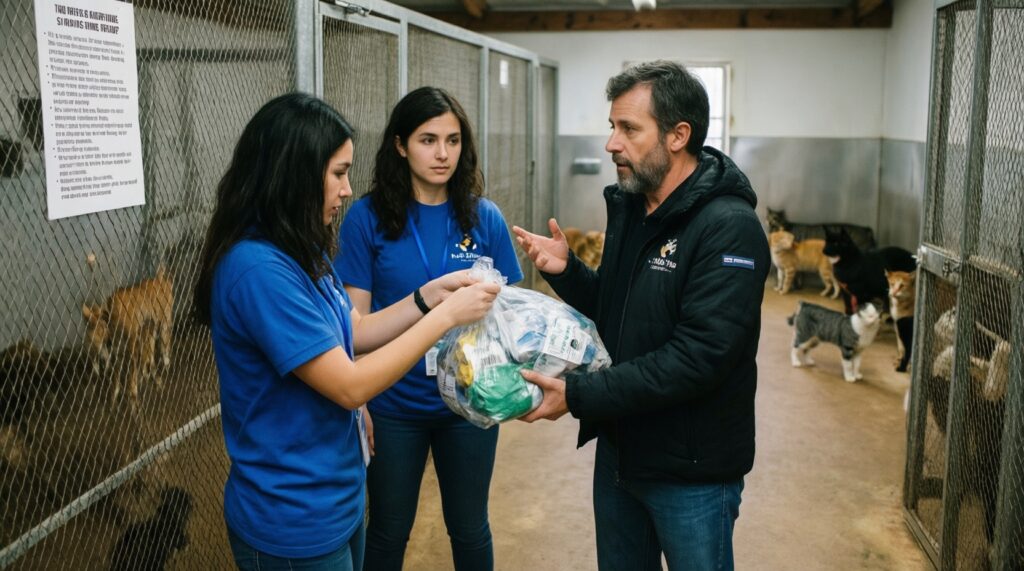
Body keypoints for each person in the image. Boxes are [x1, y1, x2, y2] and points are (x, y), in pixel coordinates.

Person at [192, 93, 499, 571]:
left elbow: (352, 331)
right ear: (294, 173)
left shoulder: (302, 251)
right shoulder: (259, 271)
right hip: (292, 514)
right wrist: (445, 317)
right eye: (338, 173)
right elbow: (350, 385)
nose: (347, 188)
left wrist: (427, 297)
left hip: (335, 497)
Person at [512, 61, 770, 571]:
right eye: (612, 126)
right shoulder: (636, 208)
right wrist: (566, 272)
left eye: (628, 128)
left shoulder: (728, 228)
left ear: (679, 135)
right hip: (621, 452)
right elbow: (620, 307)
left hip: (691, 471)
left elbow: (699, 357)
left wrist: (580, 395)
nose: (612, 143)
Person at [334, 86, 522, 571]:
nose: (443, 154)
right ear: (400, 145)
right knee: (389, 529)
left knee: (470, 526)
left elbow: (509, 318)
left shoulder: (485, 218)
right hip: (394, 404)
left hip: (469, 401)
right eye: (427, 139)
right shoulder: (366, 219)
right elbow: (354, 326)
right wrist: (361, 405)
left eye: (454, 140)